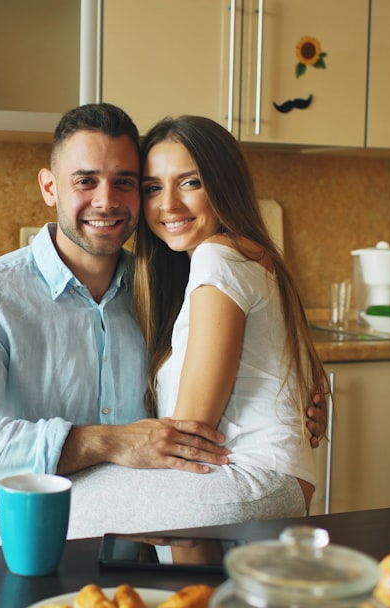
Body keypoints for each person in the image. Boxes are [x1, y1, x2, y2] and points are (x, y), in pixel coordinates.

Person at [0, 104, 325, 550]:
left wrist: (298, 401)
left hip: (199, 489)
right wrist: (109, 442)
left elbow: (234, 381)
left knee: (15, 524)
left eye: (125, 183)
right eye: (86, 181)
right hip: (159, 492)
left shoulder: (168, 283)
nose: (106, 201)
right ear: (49, 187)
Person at [60, 115, 326, 538]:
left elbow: (188, 432)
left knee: (42, 518)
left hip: (244, 478)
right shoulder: (236, 259)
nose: (169, 204)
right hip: (251, 479)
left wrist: (104, 447)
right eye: (153, 188)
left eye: (190, 183)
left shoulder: (217, 257)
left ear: (223, 186)